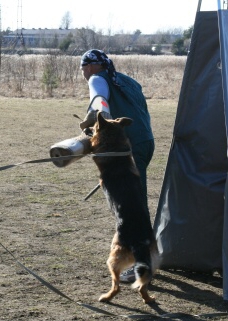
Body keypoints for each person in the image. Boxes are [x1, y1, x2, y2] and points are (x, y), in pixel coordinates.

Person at [79, 49, 155, 283]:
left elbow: (100, 103)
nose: (83, 73)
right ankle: (147, 256)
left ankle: (142, 263)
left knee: (132, 206)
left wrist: (96, 119)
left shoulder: (97, 78)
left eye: (82, 68)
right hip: (145, 141)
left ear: (90, 67)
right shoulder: (127, 80)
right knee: (135, 200)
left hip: (127, 145)